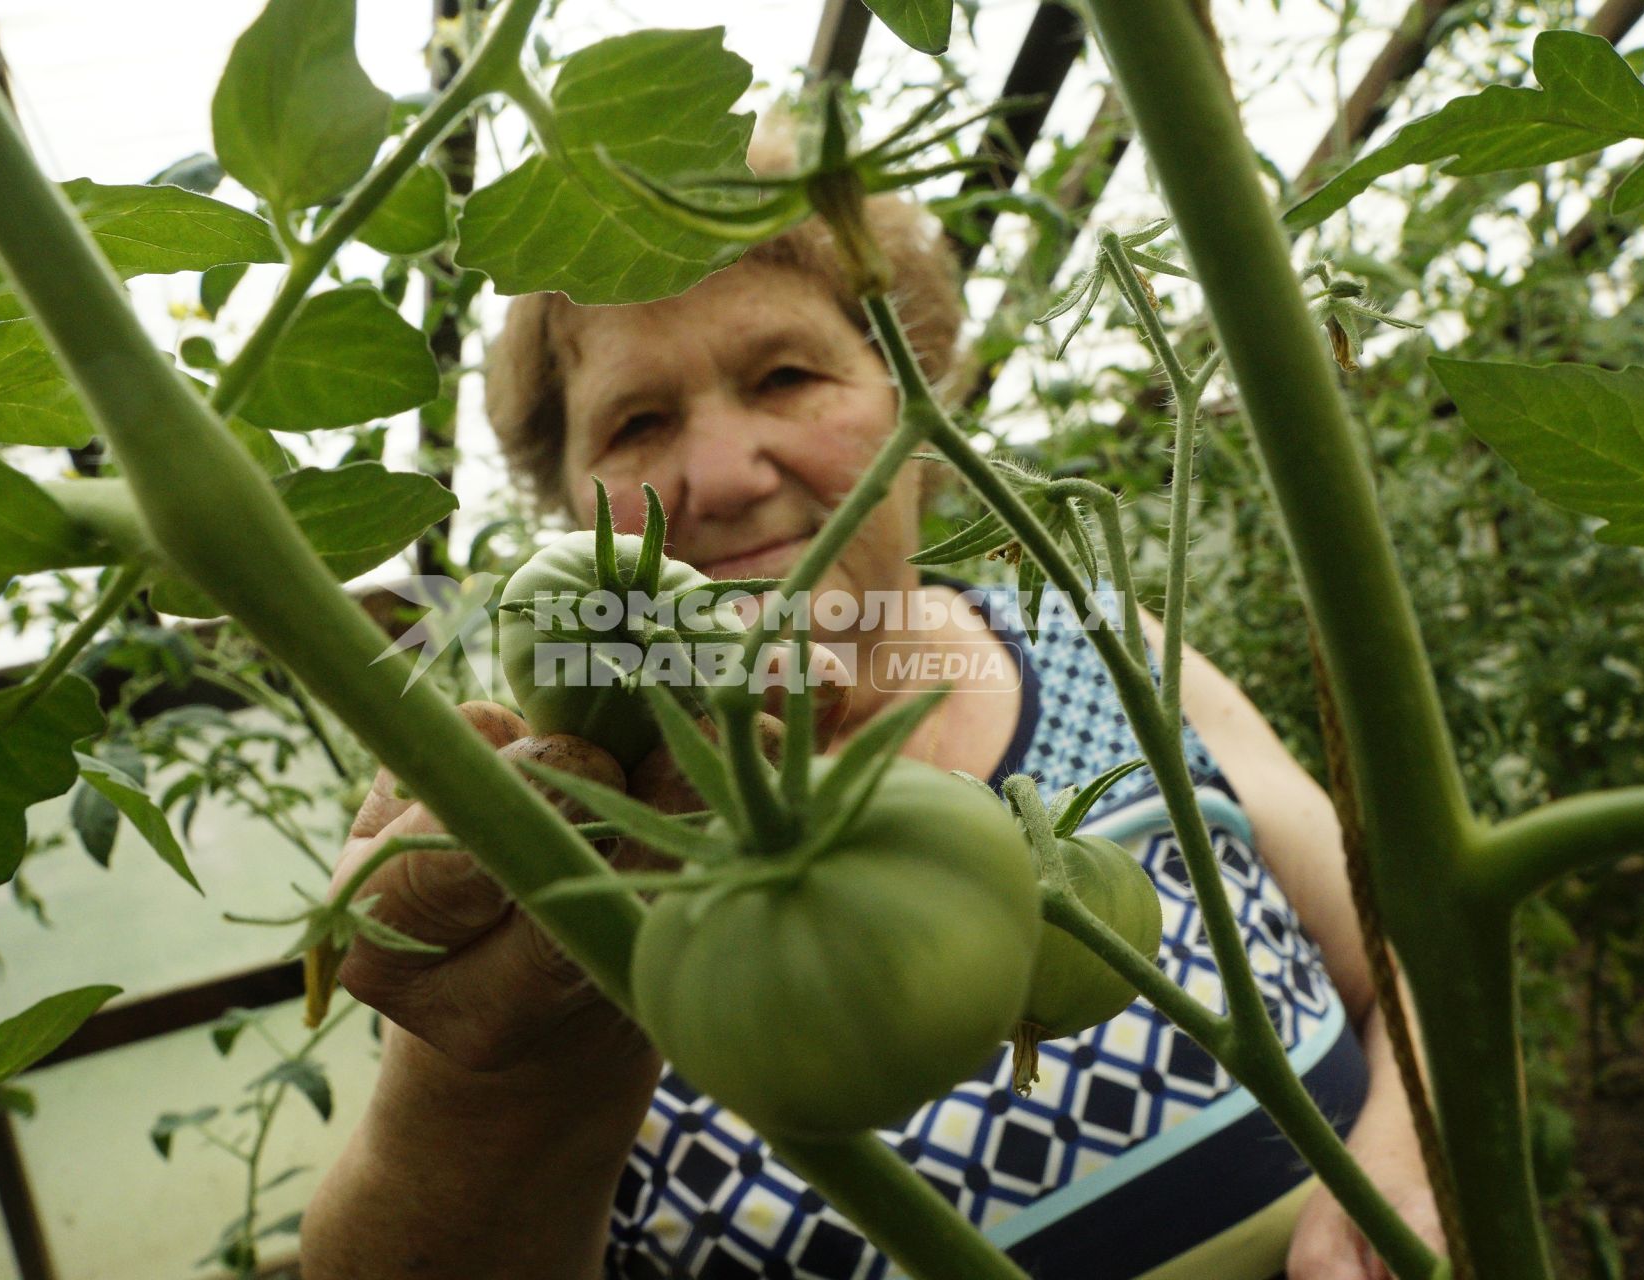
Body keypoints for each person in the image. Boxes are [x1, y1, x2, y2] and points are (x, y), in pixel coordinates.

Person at [299, 169, 1444, 1280]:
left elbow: (1408, 954)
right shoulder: (549, 867)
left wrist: (1407, 1174)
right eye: (637, 420)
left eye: (785, 375)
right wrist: (488, 1087)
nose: (723, 472)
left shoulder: (1104, 646)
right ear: (568, 501)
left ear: (912, 390)